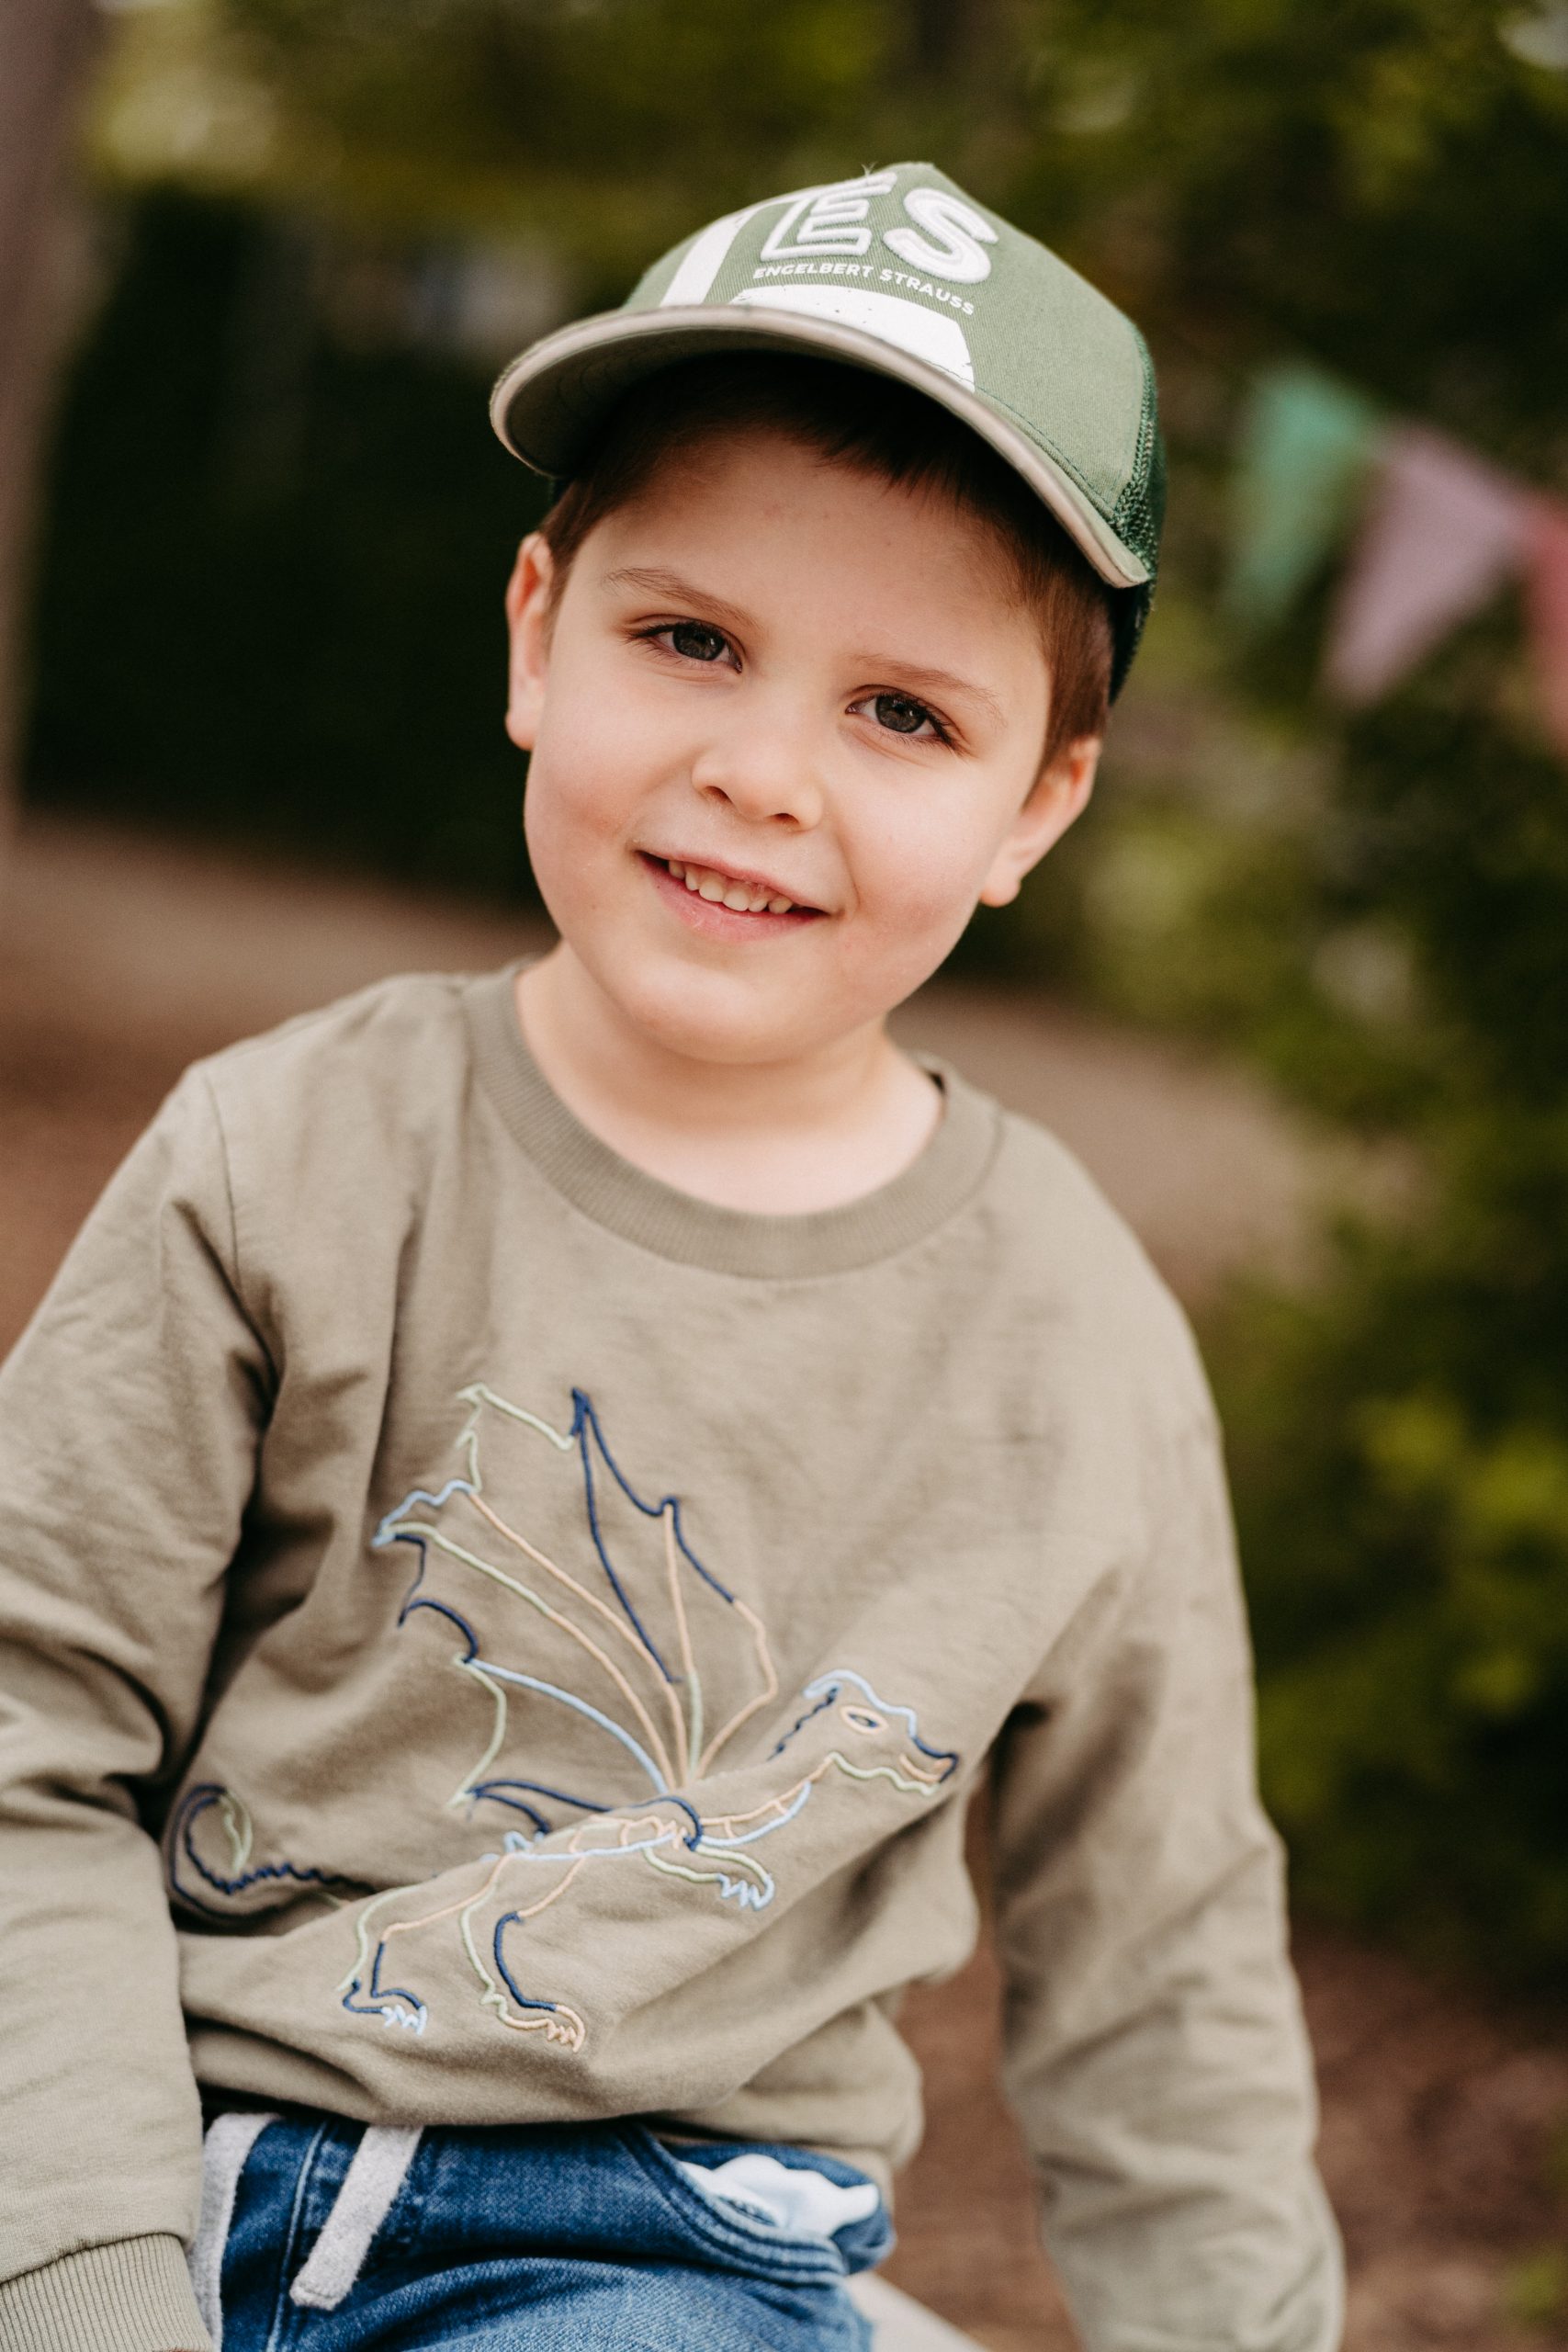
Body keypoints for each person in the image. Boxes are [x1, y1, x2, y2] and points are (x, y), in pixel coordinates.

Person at [0, 164, 1343, 2352]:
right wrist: (76, 2268)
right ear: (536, 631)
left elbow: (1161, 1962)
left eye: (902, 713)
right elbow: (26, 1727)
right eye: (691, 639)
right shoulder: (290, 1153)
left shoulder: (1067, 1341)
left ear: (1036, 802)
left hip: (650, 2251)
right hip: (147, 2142)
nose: (760, 771)